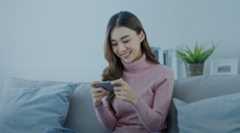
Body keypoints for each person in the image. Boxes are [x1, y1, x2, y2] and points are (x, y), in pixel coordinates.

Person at [91, 11, 174, 133]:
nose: (121, 49)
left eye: (125, 40)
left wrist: (134, 99)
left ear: (141, 36)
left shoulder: (163, 74)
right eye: (114, 44)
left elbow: (156, 126)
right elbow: (111, 126)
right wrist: (98, 105)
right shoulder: (112, 73)